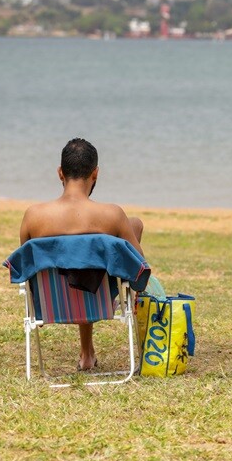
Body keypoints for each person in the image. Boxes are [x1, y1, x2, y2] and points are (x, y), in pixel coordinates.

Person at [19, 138, 145, 371]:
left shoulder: (33, 216)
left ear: (60, 173)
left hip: (50, 305)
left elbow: (28, 272)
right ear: (95, 173)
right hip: (98, 298)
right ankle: (87, 352)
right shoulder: (112, 215)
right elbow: (140, 271)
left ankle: (87, 353)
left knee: (76, 263)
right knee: (129, 229)